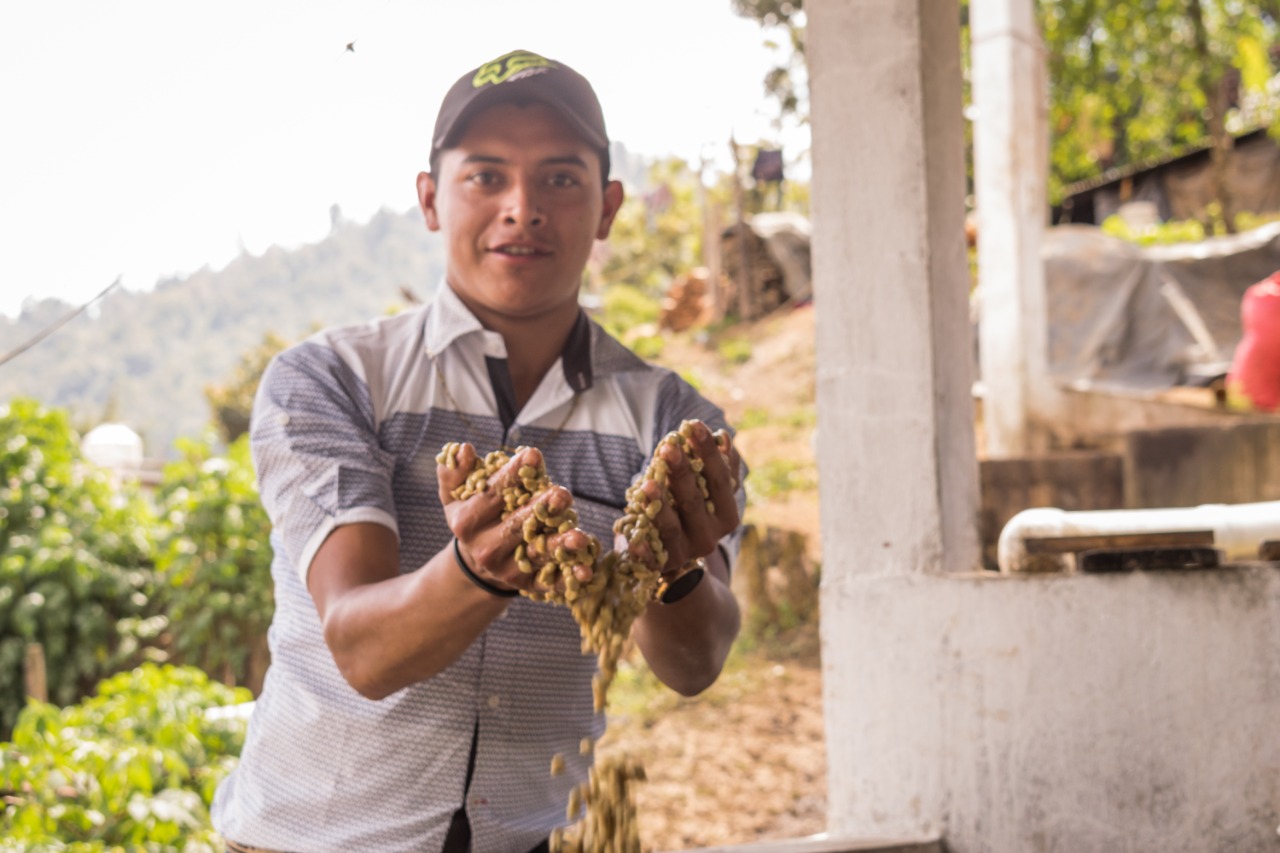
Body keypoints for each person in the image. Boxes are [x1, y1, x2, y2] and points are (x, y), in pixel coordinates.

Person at [211, 49, 746, 853]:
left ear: (606, 207)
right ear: (431, 199)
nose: (522, 208)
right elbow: (361, 646)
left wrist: (671, 570)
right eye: (485, 176)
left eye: (560, 179)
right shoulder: (333, 380)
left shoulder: (669, 422)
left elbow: (695, 662)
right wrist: (477, 571)